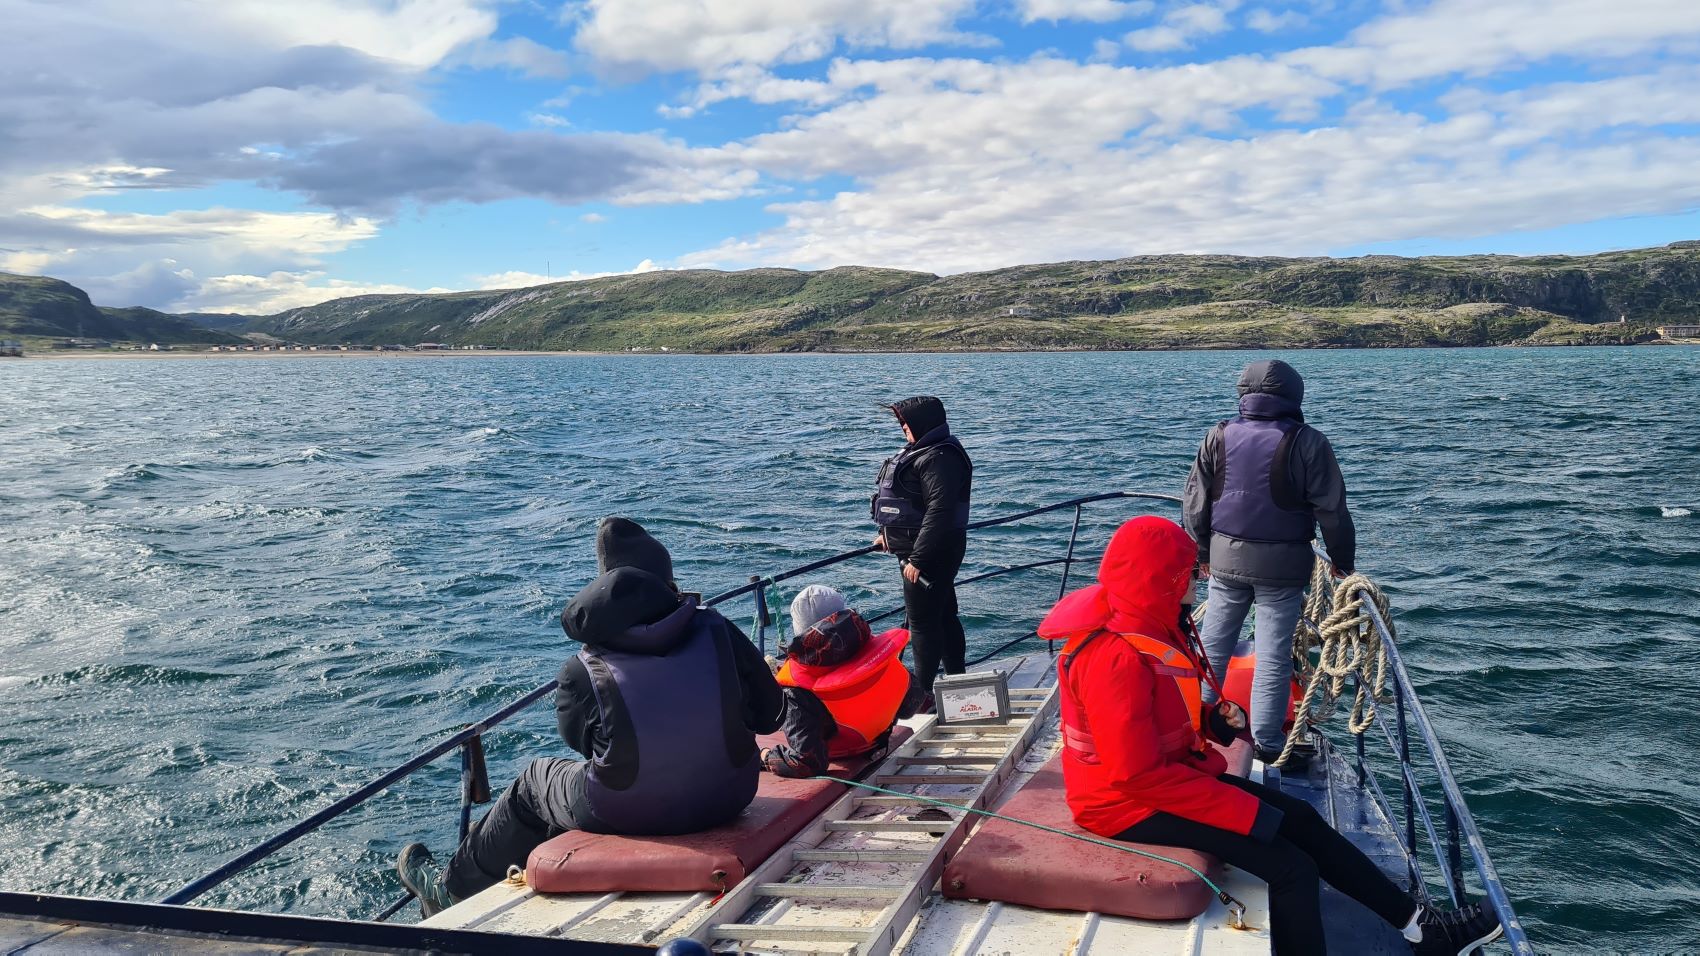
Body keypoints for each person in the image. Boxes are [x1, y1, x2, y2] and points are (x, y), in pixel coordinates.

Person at [1039, 515, 1501, 955]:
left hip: (1165, 781)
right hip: (1123, 804)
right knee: (1292, 869)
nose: (1198, 582)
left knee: (1301, 817)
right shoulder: (1113, 657)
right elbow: (1133, 775)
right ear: (1161, 581)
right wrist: (1242, 811)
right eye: (1190, 574)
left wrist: (1213, 722)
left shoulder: (1148, 625)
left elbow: (1156, 718)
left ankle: (1423, 929)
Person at [395, 517, 784, 915]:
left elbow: (581, 745)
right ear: (669, 585)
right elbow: (771, 716)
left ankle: (451, 890)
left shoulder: (581, 668)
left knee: (534, 783)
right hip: (729, 796)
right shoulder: (719, 630)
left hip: (625, 811)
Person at [1183, 359, 1355, 764]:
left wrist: (1203, 552)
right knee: (1273, 657)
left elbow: (1195, 500)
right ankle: (1268, 746)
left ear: (1244, 394)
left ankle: (1194, 728)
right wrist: (1341, 560)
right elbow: (1332, 511)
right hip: (1282, 568)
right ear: (1294, 395)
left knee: (1212, 648)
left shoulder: (1218, 434)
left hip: (1224, 562)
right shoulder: (1310, 441)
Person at [762, 585, 924, 778]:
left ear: (799, 629)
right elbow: (911, 705)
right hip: (880, 741)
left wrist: (766, 756)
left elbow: (807, 763)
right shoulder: (878, 654)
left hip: (840, 755)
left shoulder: (795, 687)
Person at [870, 395, 972, 699]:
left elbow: (939, 511)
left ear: (924, 423)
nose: (903, 427)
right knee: (944, 615)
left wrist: (918, 558)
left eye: (906, 422)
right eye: (901, 422)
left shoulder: (939, 458)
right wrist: (887, 537)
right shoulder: (927, 452)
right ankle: (956, 681)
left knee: (923, 625)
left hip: (930, 555)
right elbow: (911, 504)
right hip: (926, 550)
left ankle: (923, 695)